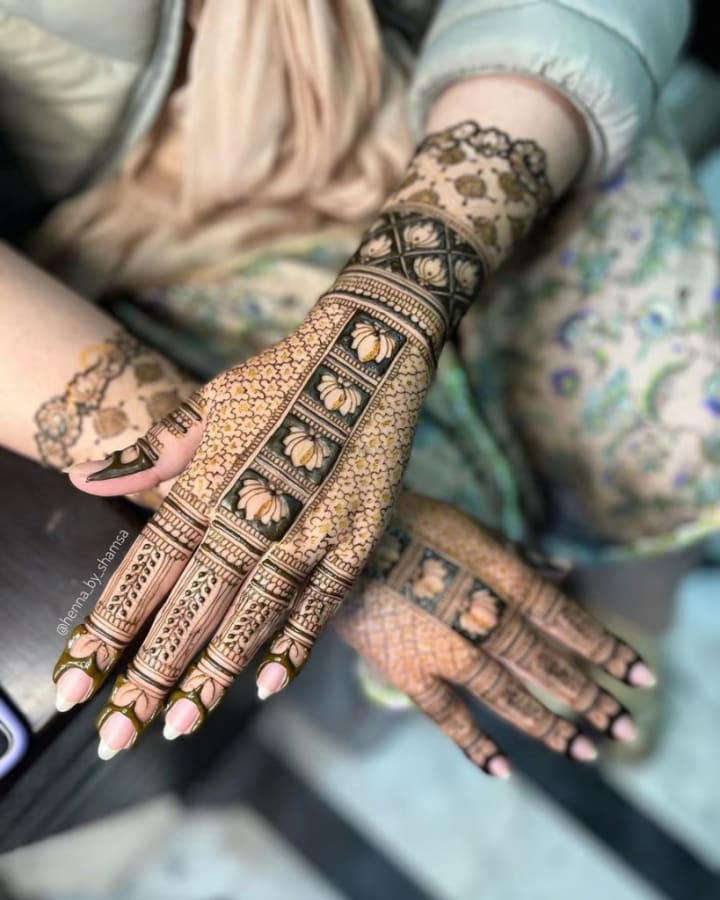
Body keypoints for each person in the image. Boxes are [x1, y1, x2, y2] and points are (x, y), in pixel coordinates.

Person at [0, 1, 702, 764]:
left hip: (460, 77)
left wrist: (391, 305)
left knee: (685, 400)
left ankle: (636, 616)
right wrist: (300, 510)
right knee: (401, 592)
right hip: (138, 246)